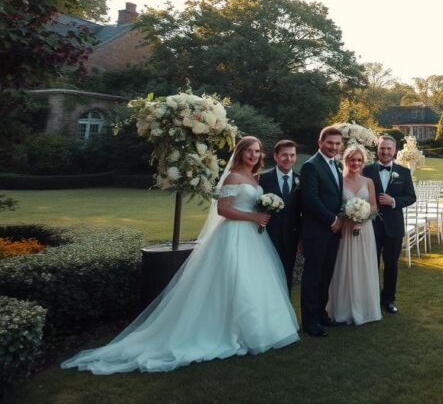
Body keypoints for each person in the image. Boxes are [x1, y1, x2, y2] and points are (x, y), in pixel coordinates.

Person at [62, 136, 299, 374]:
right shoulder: (233, 176)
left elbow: (248, 204)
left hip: (253, 237)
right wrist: (253, 217)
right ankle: (229, 329)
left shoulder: (254, 178)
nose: (253, 155)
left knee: (253, 281)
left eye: (257, 152)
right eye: (249, 151)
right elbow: (223, 209)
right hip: (234, 234)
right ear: (240, 153)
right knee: (234, 279)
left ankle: (256, 327)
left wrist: (264, 209)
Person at [326, 144, 382, 325]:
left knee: (364, 266)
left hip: (364, 230)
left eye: (359, 160)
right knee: (344, 267)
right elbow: (334, 206)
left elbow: (373, 206)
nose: (355, 163)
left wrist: (362, 218)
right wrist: (347, 218)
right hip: (345, 231)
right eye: (352, 159)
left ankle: (365, 308)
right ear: (346, 161)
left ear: (363, 162)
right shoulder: (338, 181)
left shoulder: (368, 182)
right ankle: (343, 309)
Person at [363, 134, 416, 314]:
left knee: (391, 265)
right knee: (371, 264)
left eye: (388, 149)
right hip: (371, 225)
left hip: (394, 226)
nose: (385, 152)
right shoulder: (366, 170)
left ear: (395, 151)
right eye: (382, 148)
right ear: (377, 149)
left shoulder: (404, 172)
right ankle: (370, 298)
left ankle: (389, 299)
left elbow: (411, 197)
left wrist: (393, 201)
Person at [299, 126, 345, 337]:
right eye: (330, 143)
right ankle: (309, 321)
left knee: (326, 274)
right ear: (320, 143)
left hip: (333, 232)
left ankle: (321, 313)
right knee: (312, 276)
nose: (334, 147)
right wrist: (332, 219)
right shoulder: (311, 166)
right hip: (317, 231)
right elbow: (310, 199)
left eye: (337, 144)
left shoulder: (336, 165)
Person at [259, 139, 302, 291]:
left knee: (286, 276)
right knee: (264, 276)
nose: (288, 159)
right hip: (266, 236)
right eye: (284, 155)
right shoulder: (262, 179)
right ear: (276, 156)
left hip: (292, 237)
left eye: (292, 155)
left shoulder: (301, 180)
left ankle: (285, 311)